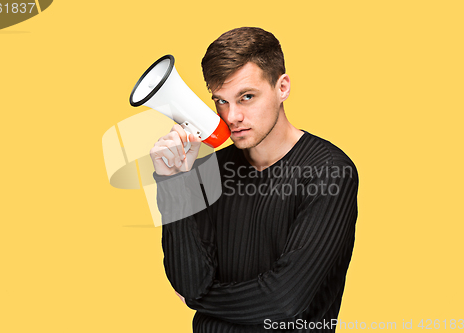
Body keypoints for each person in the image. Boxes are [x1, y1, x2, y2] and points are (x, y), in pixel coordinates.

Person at [150, 27, 359, 332]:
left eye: (246, 97)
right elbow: (187, 280)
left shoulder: (330, 172)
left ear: (282, 87)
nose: (231, 116)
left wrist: (200, 300)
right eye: (220, 101)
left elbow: (284, 302)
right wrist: (174, 182)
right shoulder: (209, 170)